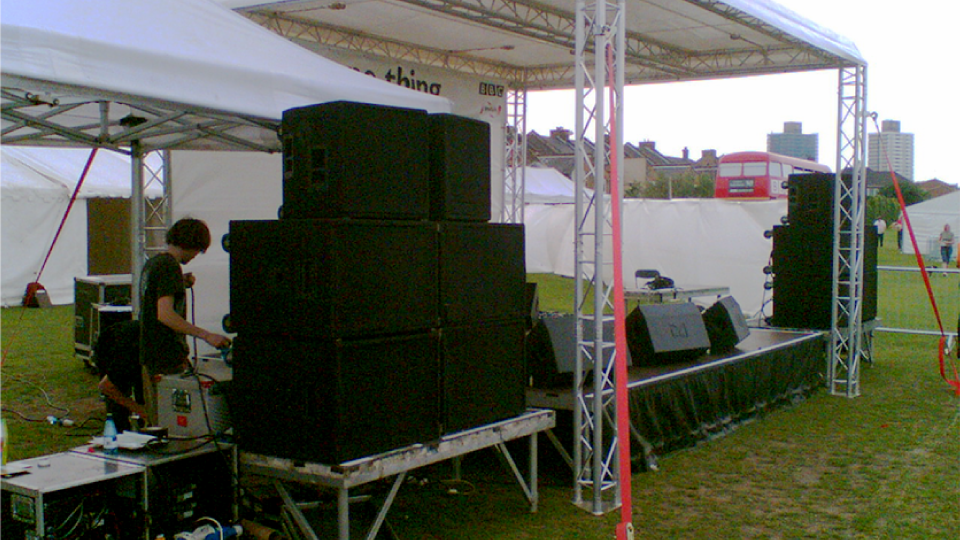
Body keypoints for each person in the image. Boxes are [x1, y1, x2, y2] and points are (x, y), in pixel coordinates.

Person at [139, 218, 231, 425]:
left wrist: (179, 283)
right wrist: (206, 335)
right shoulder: (169, 267)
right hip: (166, 356)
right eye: (198, 250)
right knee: (172, 422)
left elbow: (155, 295)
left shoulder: (154, 263)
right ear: (191, 243)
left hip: (150, 354)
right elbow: (165, 314)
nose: (196, 255)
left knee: (160, 418)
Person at [95, 319, 146, 432]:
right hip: (111, 345)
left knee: (142, 392)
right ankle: (119, 432)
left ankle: (145, 428)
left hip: (134, 343)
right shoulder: (127, 356)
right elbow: (106, 386)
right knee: (118, 401)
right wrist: (140, 410)